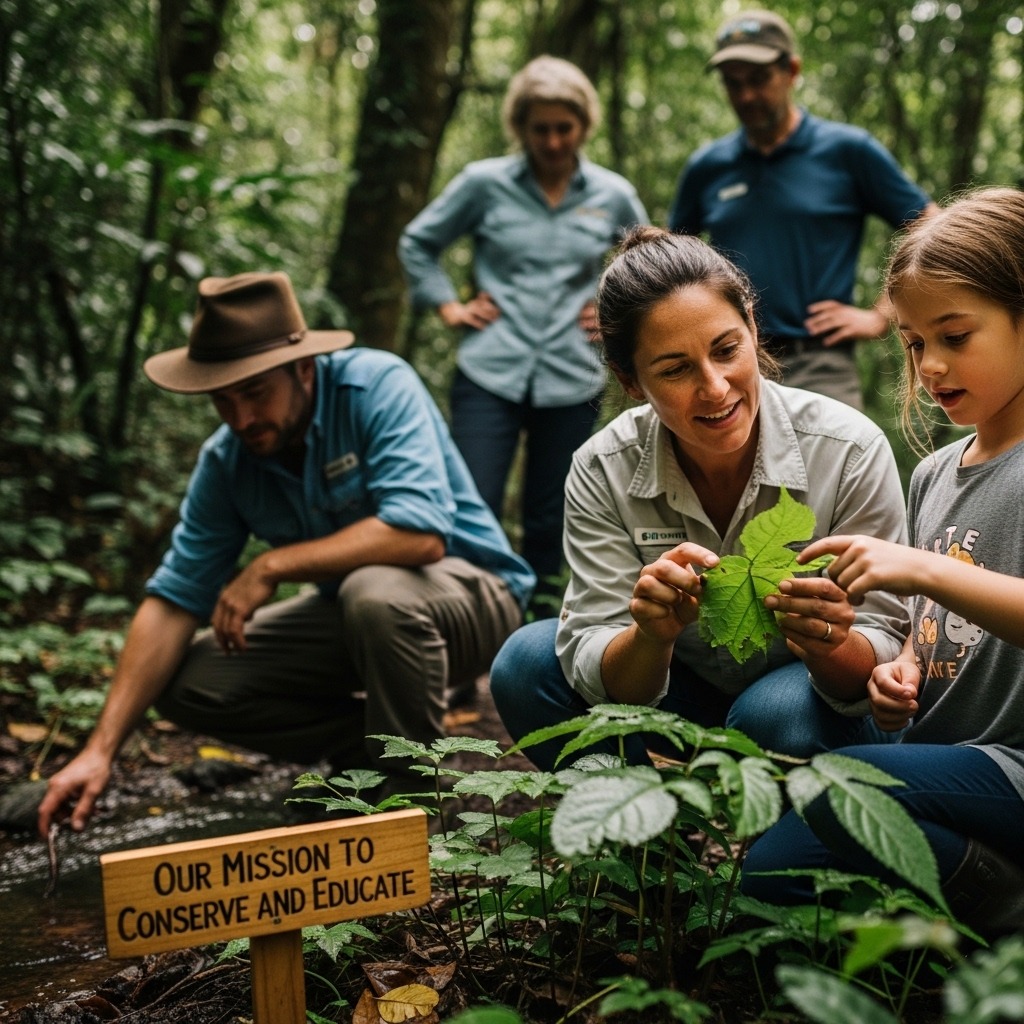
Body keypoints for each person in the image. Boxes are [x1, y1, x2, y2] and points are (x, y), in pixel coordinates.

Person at [37, 271, 535, 837]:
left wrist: (271, 564)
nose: (242, 419)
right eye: (223, 400)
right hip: (360, 622)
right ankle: (363, 752)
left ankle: (412, 815)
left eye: (254, 393)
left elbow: (418, 533)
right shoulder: (227, 461)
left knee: (374, 592)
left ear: (304, 369)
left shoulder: (375, 385)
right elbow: (174, 598)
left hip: (475, 604)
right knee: (189, 681)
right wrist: (99, 750)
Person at [489, 226, 910, 773]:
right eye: (676, 369)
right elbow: (597, 652)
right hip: (675, 699)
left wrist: (831, 642)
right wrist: (648, 634)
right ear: (631, 380)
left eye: (726, 350)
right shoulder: (602, 468)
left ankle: (782, 846)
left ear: (754, 330)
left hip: (810, 700)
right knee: (526, 666)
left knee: (772, 715)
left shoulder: (847, 449)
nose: (713, 387)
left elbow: (885, 647)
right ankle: (647, 838)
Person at [740, 187, 1024, 936]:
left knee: (841, 790)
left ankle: (1005, 911)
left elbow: (939, 582)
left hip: (1013, 771)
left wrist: (915, 568)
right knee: (765, 879)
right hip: (945, 760)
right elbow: (938, 635)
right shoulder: (934, 473)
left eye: (956, 336)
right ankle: (980, 892)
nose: (930, 365)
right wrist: (897, 672)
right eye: (913, 342)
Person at [399, 55, 648, 607]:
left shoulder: (611, 194)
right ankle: (463, 637)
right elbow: (418, 243)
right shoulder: (483, 184)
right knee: (471, 507)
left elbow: (649, 260)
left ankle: (537, 642)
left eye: (566, 128)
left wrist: (612, 312)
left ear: (584, 126)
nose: (554, 141)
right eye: (542, 129)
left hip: (572, 376)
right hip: (490, 368)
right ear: (521, 128)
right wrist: (449, 307)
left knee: (551, 515)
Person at [668, 9, 937, 409]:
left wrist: (881, 315)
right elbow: (671, 259)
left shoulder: (847, 151)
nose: (745, 96)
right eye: (733, 83)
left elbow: (930, 223)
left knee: (833, 468)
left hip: (820, 361)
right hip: (730, 361)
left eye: (758, 80)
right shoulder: (708, 167)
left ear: (791, 71)